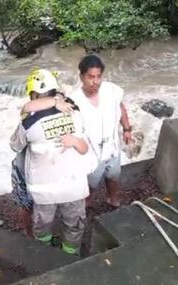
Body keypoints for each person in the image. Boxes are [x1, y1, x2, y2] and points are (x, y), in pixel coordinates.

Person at [10, 68, 90, 255]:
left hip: (43, 192)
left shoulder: (28, 124)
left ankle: (44, 256)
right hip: (74, 188)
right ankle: (70, 256)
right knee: (74, 227)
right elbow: (84, 147)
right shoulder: (74, 111)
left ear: (34, 94)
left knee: (43, 228)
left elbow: (15, 146)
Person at [69, 54, 132, 207]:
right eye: (91, 77)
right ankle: (86, 205)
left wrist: (126, 129)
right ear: (81, 76)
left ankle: (113, 199)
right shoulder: (74, 100)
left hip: (112, 144)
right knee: (90, 183)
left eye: (99, 76)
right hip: (90, 151)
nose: (95, 82)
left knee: (114, 175)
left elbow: (121, 108)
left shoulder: (111, 91)